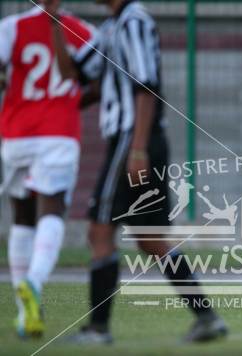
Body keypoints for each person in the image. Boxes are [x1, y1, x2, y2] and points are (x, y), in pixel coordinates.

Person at [47, 0, 227, 343]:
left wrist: (139, 148)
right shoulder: (111, 28)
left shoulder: (134, 22)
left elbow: (145, 86)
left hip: (133, 139)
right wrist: (55, 23)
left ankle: (98, 330)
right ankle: (207, 318)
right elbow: (74, 74)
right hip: (134, 140)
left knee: (100, 231)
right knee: (150, 238)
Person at [0, 0, 94, 338]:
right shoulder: (83, 31)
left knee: (22, 216)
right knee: (52, 208)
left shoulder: (12, 27)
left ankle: (27, 313)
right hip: (58, 133)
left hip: (16, 134)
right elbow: (97, 82)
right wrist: (68, 103)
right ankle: (34, 284)